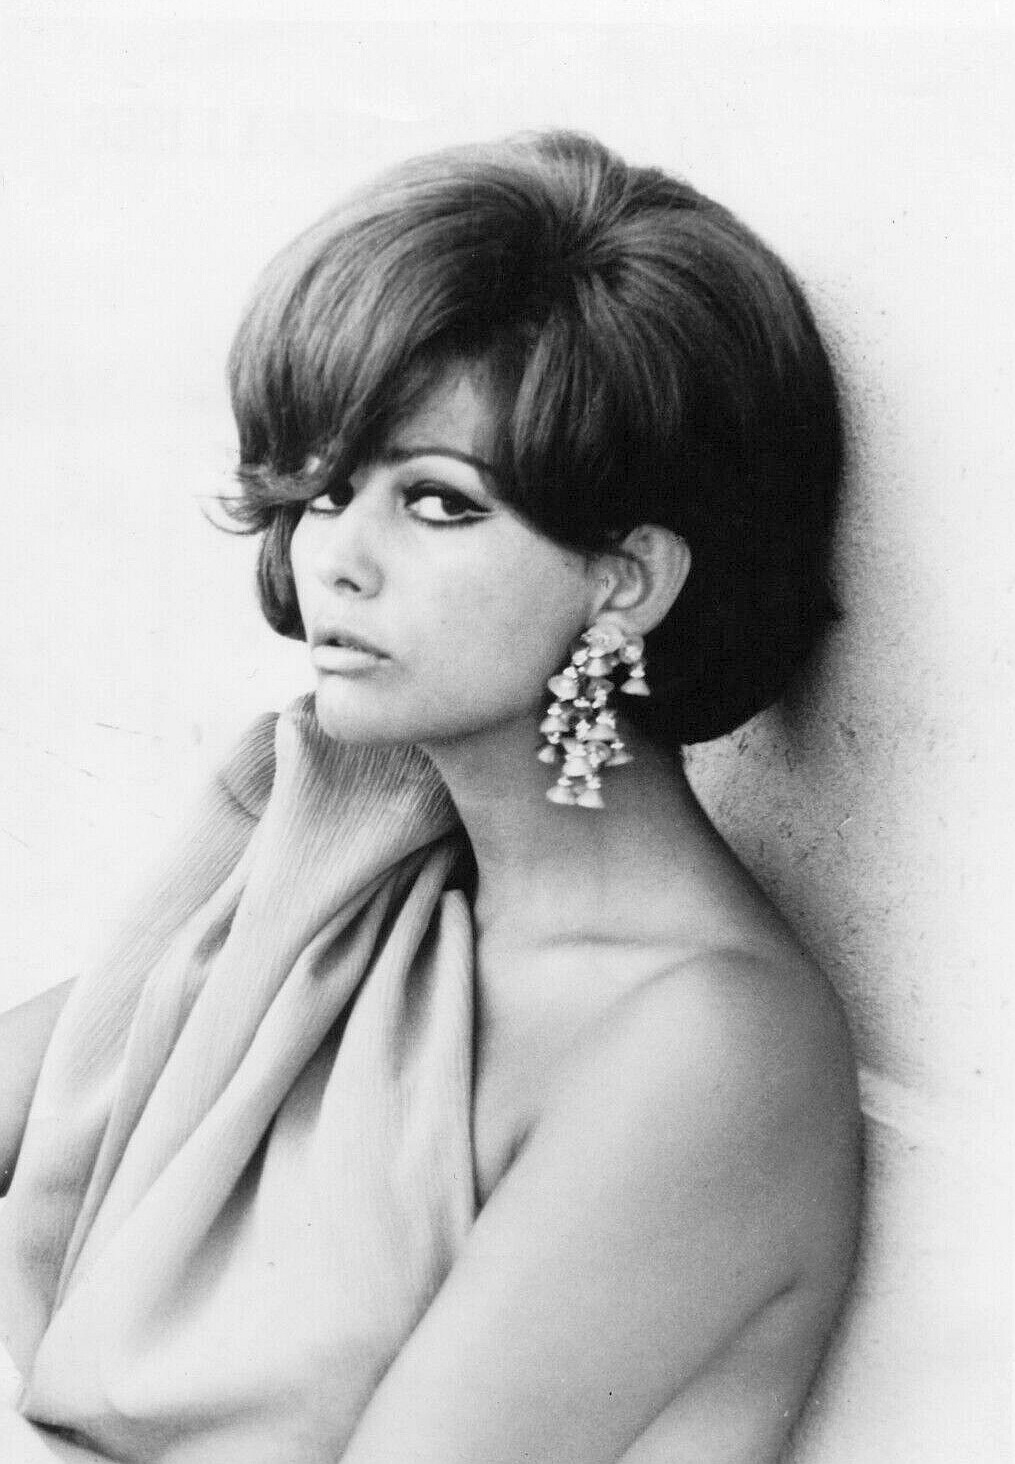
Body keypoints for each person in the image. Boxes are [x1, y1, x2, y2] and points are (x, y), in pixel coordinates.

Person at [0, 131, 860, 1463]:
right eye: (330, 487)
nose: (336, 557)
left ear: (625, 580)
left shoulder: (705, 1042)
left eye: (440, 502)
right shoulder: (342, 860)